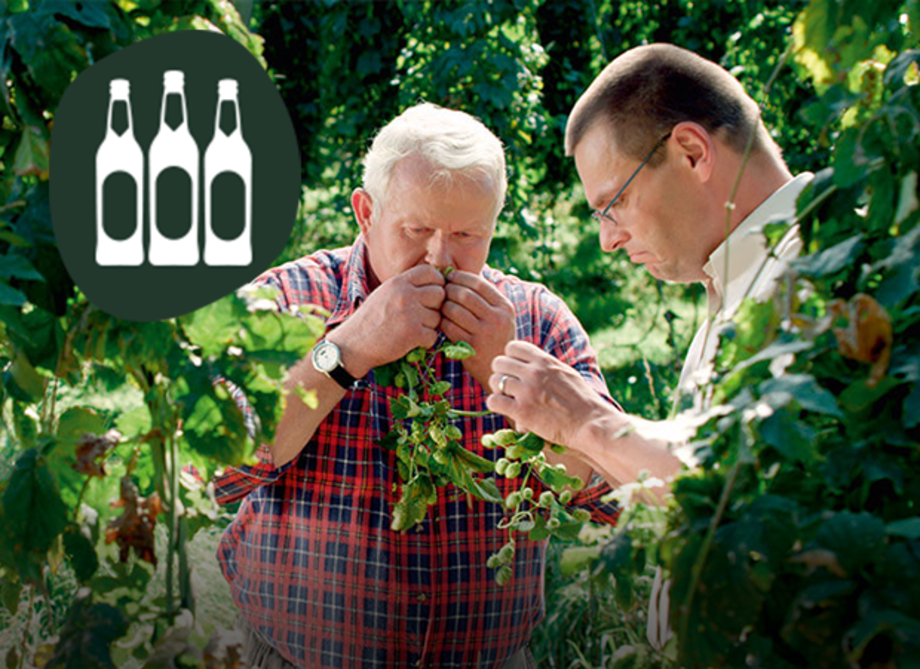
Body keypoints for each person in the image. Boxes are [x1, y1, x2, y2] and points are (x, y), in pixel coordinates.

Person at [214, 103, 621, 669]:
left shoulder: (535, 318)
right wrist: (348, 349)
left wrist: (504, 369)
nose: (440, 258)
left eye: (466, 235)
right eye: (416, 230)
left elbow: (602, 492)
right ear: (365, 212)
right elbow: (218, 470)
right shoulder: (289, 301)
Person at [485, 43, 814, 648]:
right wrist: (569, 429)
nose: (608, 240)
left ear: (691, 152)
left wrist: (584, 420)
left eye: (615, 204)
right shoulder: (738, 285)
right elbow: (681, 497)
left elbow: (748, 509)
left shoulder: (815, 276)